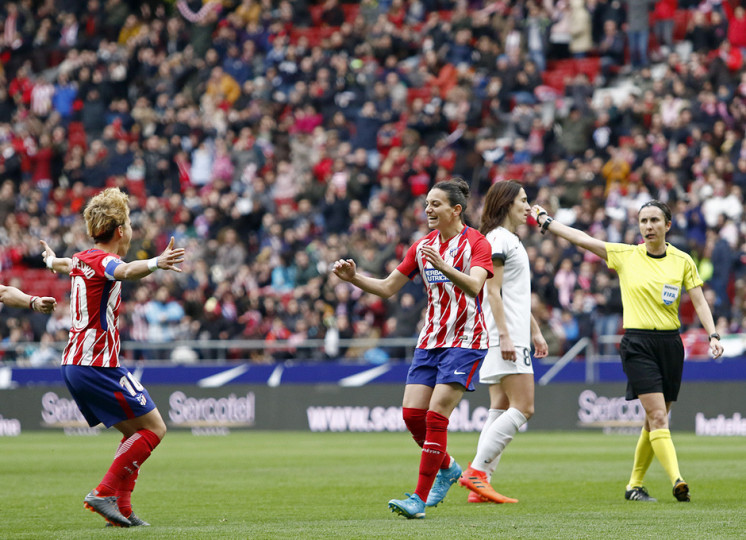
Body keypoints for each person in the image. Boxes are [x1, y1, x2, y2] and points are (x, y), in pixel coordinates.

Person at [532, 199, 723, 503]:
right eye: (643, 221)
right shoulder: (625, 255)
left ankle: (634, 485)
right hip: (637, 344)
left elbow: (699, 301)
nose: (648, 226)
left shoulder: (682, 260)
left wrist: (712, 334)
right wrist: (547, 221)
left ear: (667, 225)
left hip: (671, 345)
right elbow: (582, 238)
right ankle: (677, 479)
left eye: (655, 221)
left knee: (653, 420)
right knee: (659, 417)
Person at [332, 178, 493, 519]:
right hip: (430, 340)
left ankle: (418, 500)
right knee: (411, 416)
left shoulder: (476, 243)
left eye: (436, 204)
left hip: (465, 341)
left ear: (456, 209)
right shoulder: (422, 247)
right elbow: (389, 287)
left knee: (436, 417)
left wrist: (444, 266)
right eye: (427, 203)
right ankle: (448, 468)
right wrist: (354, 279)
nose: (428, 209)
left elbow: (476, 286)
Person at [40, 187, 185, 527]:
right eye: (129, 223)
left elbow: (61, 264)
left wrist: (48, 259)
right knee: (154, 428)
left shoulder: (81, 259)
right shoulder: (106, 260)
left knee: (135, 432)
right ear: (120, 230)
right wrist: (156, 263)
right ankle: (104, 492)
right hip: (96, 364)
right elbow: (126, 271)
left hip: (78, 363)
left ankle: (122, 511)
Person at [459, 180, 548, 504]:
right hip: (504, 336)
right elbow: (492, 292)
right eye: (523, 200)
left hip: (507, 333)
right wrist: (508, 335)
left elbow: (514, 297)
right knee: (524, 407)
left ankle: (481, 484)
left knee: (500, 407)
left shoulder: (507, 240)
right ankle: (477, 472)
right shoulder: (498, 240)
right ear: (507, 203)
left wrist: (535, 331)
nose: (528, 206)